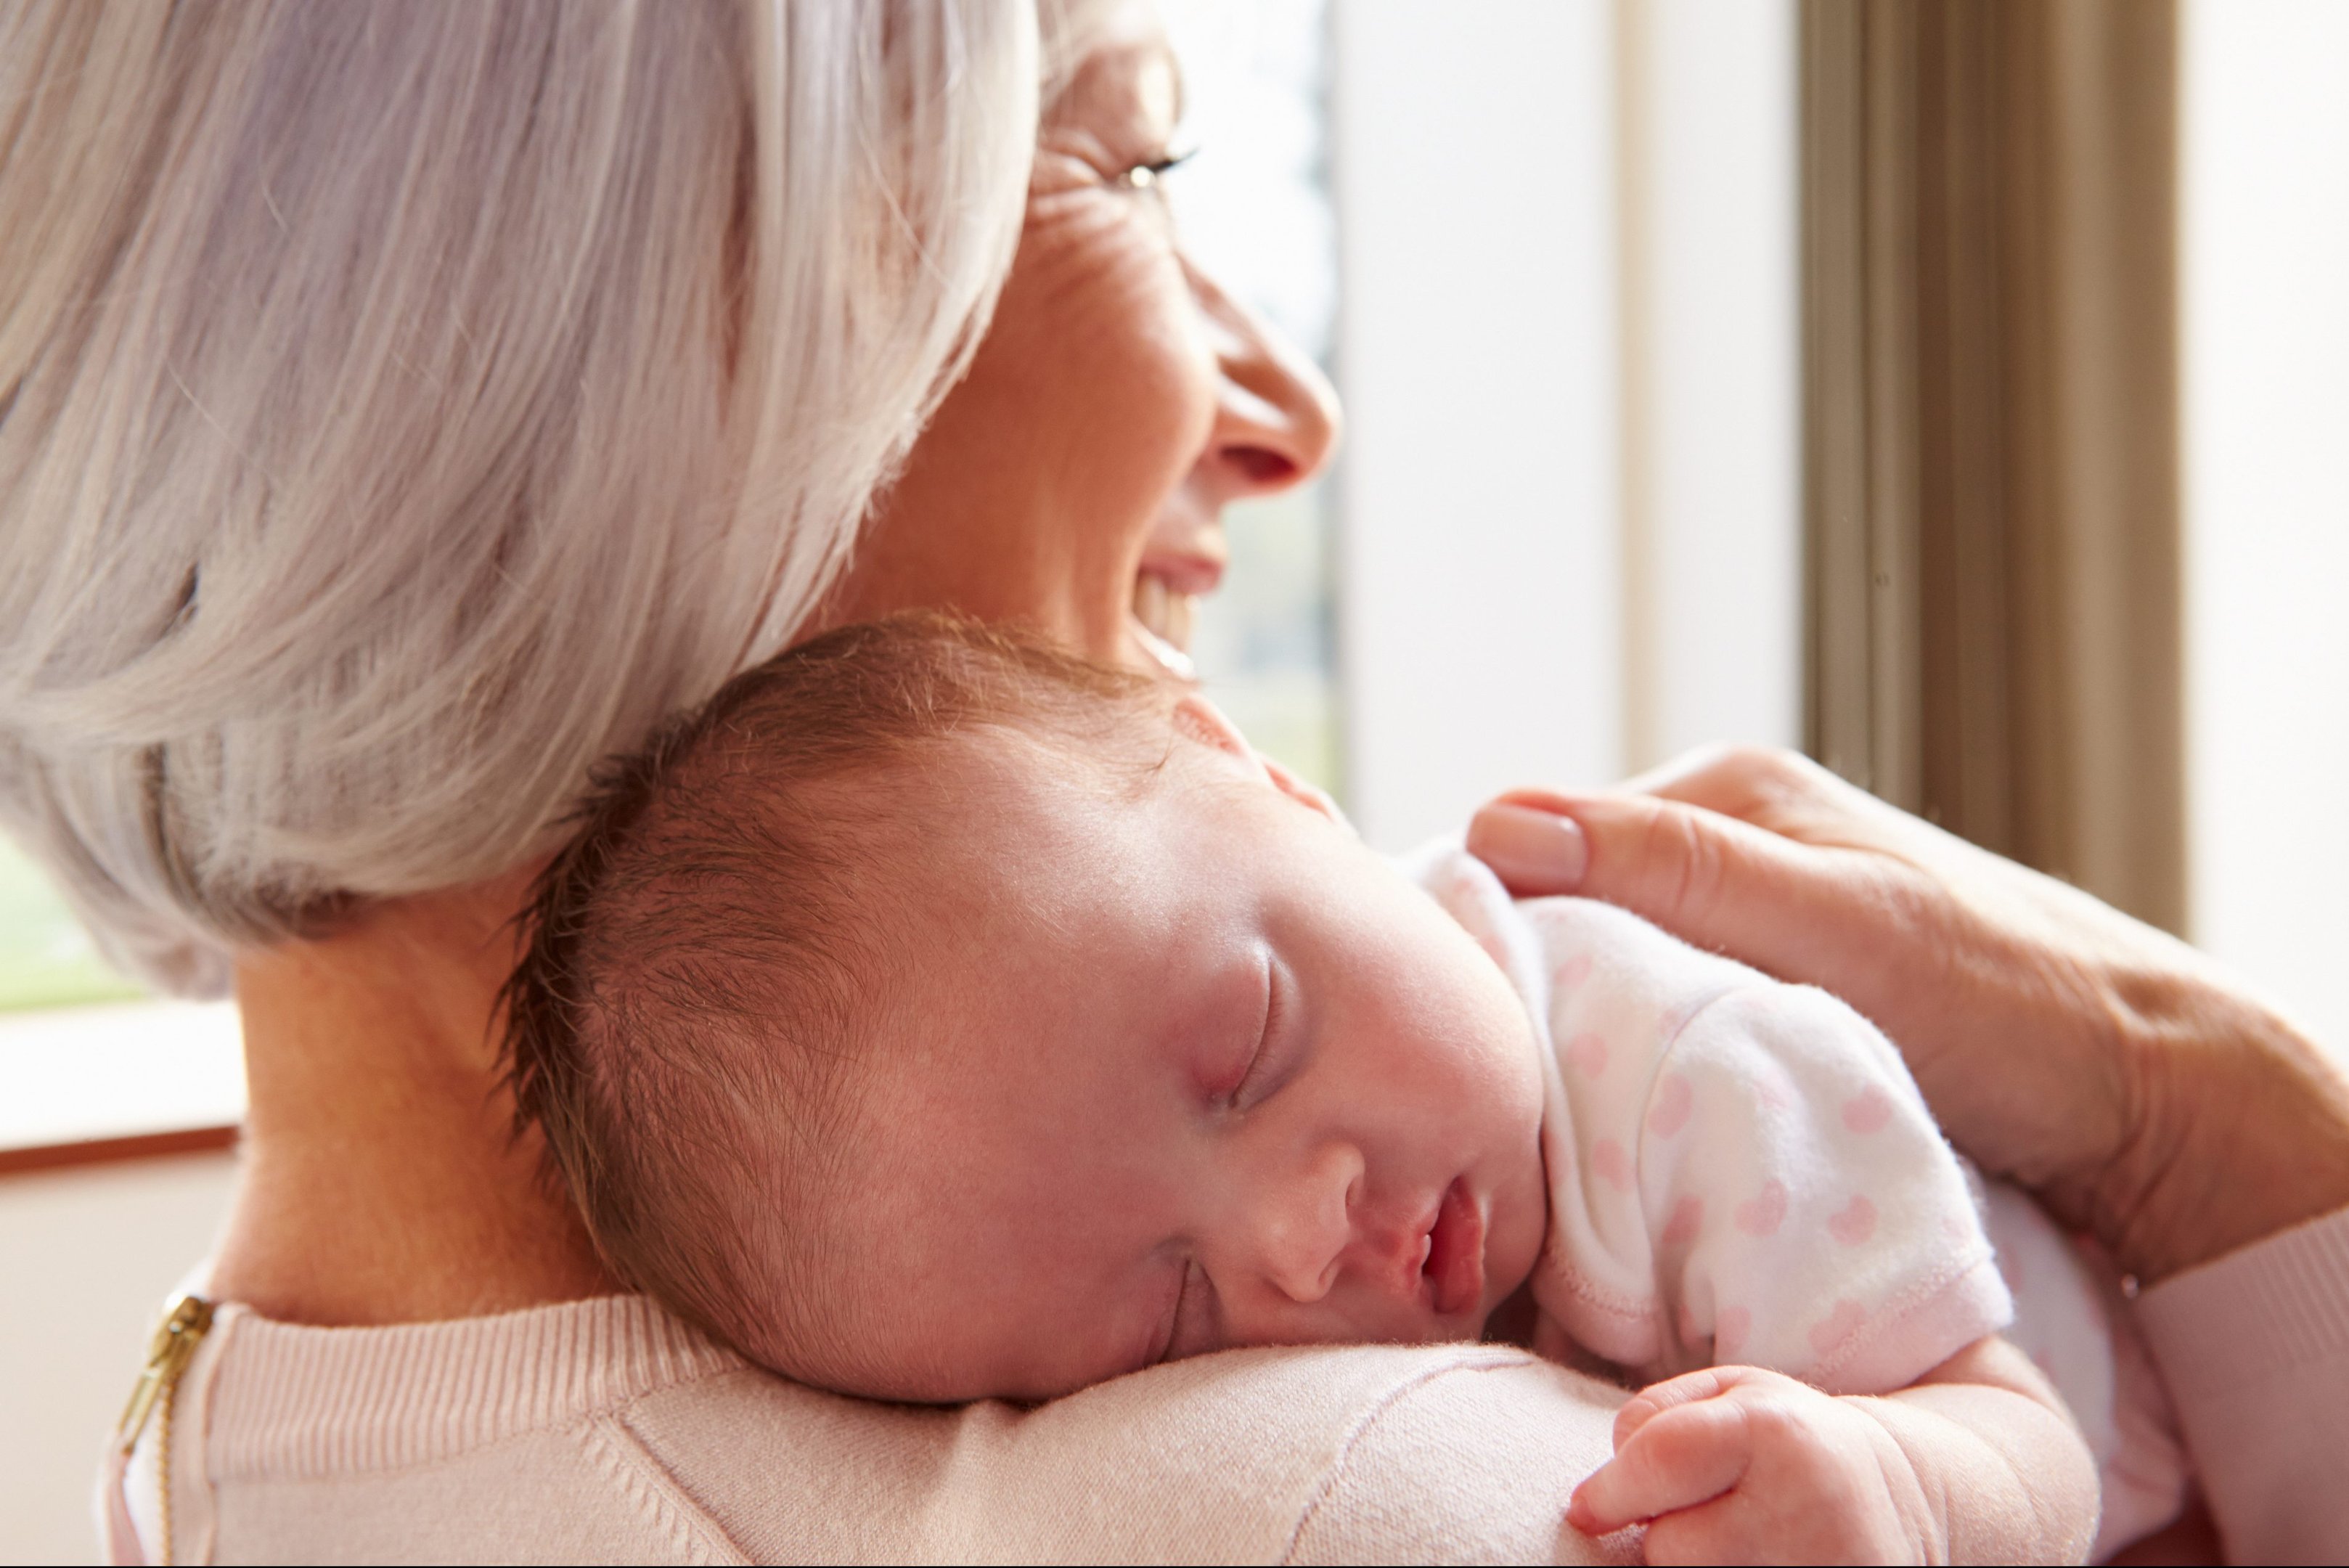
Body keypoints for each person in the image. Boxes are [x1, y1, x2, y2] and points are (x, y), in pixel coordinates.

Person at [496, 613, 2108, 1564]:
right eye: (1167, 1317)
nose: (1295, 1231)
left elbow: (2030, 1442)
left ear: (1267, 779)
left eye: (1251, 1046)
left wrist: (1895, 1480)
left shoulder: (1694, 1081)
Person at [1466, 752, 2349, 1564]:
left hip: (2123, 1409)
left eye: (1314, 1021)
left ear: (1323, 818)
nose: (1325, 1213)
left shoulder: (1668, 1061)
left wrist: (1905, 1489)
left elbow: (2034, 1439)